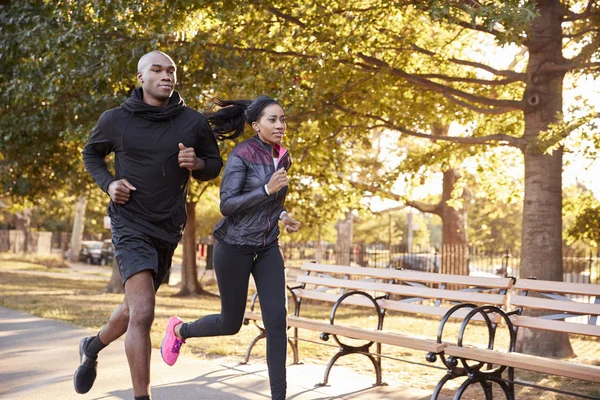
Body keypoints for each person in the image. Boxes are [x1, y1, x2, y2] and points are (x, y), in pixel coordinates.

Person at [76, 50, 223, 400]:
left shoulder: (192, 121)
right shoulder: (116, 119)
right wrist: (109, 184)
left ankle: (92, 346)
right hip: (129, 223)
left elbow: (214, 164)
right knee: (144, 312)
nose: (166, 75)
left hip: (168, 228)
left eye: (171, 70)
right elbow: (91, 154)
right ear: (141, 78)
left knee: (131, 312)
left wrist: (197, 162)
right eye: (157, 69)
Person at [160, 95, 301, 400]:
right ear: (255, 125)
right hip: (233, 246)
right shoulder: (242, 155)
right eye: (272, 120)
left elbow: (271, 203)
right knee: (230, 323)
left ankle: (279, 396)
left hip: (266, 247)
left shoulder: (283, 156)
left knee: (277, 321)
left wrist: (282, 214)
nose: (280, 125)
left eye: (282, 119)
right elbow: (228, 205)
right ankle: (179, 331)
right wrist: (266, 189)